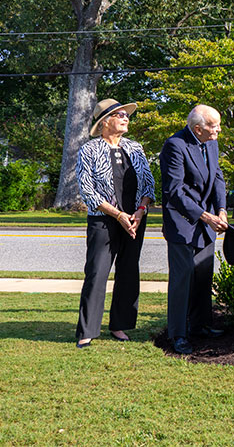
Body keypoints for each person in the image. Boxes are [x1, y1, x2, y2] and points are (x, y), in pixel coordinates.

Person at [75, 98, 155, 348]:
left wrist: (139, 212)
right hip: (104, 220)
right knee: (97, 272)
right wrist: (118, 215)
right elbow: (87, 191)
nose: (125, 118)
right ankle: (87, 330)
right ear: (104, 122)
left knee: (129, 271)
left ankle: (119, 325)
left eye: (126, 115)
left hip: (135, 219)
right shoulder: (89, 149)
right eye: (119, 115)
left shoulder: (136, 148)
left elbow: (149, 184)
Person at [160, 105, 228, 355]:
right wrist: (205, 216)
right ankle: (178, 334)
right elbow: (173, 191)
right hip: (182, 222)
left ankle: (200, 325)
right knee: (183, 278)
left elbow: (217, 177)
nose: (219, 129)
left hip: (206, 221)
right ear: (198, 128)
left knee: (202, 274)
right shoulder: (175, 146)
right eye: (214, 125)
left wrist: (221, 209)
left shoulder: (211, 142)